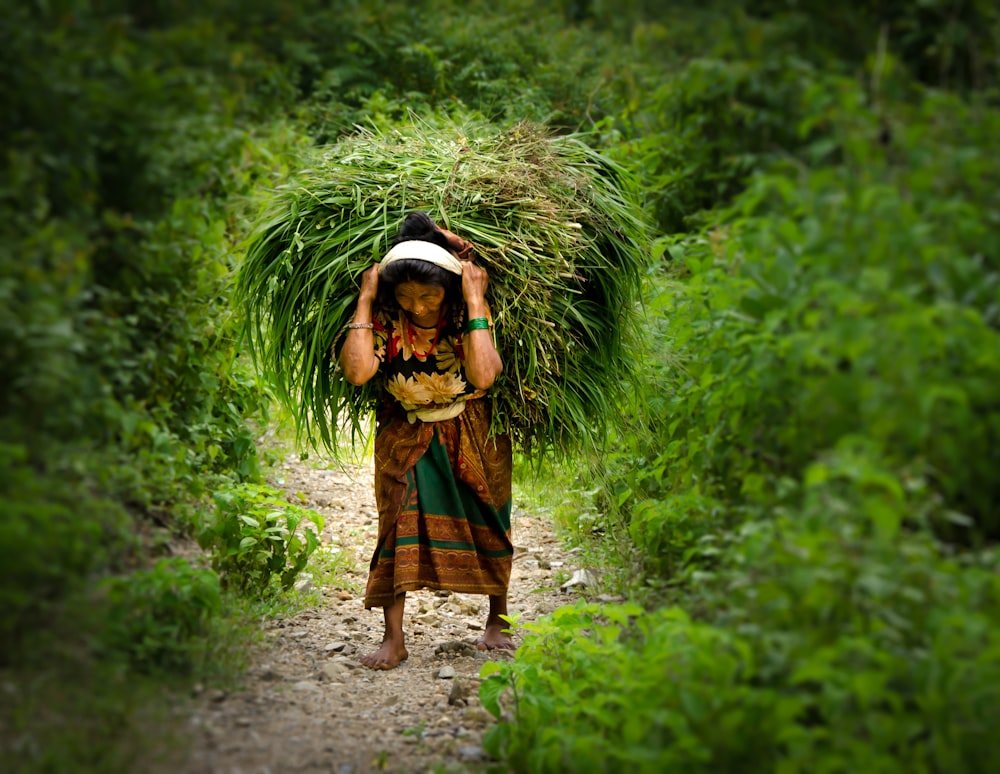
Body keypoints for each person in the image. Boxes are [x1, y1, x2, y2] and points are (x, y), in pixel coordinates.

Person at [338, 211, 515, 670]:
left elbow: (482, 374)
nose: (417, 306)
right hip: (406, 431)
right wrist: (366, 298)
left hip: (471, 428)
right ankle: (393, 639)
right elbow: (358, 372)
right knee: (395, 522)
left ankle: (498, 620)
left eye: (428, 295)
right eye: (406, 296)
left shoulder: (463, 312)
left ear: (449, 291)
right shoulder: (385, 319)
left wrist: (476, 301)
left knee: (489, 513)